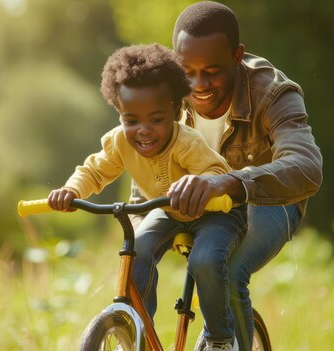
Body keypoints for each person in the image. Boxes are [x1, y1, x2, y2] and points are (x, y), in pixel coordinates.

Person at [129, 2, 323, 351]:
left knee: (230, 271)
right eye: (188, 71)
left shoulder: (274, 92)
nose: (199, 84)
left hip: (267, 202)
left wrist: (231, 181)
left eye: (212, 71)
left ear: (237, 56)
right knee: (135, 249)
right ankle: (135, 339)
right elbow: (146, 158)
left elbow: (306, 166)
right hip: (198, 206)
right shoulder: (168, 91)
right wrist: (142, 218)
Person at [47, 44, 247, 350]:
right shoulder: (118, 143)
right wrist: (71, 190)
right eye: (131, 121)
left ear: (176, 112)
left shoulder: (186, 142)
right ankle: (138, 333)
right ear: (119, 115)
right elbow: (94, 171)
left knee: (205, 260)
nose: (143, 131)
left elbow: (217, 173)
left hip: (215, 213)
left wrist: (200, 185)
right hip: (167, 211)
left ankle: (220, 338)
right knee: (137, 247)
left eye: (156, 119)